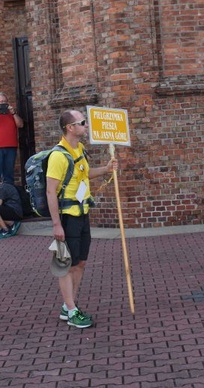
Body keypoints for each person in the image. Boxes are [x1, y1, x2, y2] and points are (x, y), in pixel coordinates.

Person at [47, 110, 118, 328]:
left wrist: (106, 169)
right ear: (70, 127)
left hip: (82, 213)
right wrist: (57, 224)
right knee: (67, 265)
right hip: (68, 217)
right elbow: (51, 191)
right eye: (82, 123)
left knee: (80, 262)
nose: (86, 126)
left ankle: (69, 305)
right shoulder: (58, 156)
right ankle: (71, 311)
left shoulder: (80, 150)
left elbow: (85, 175)